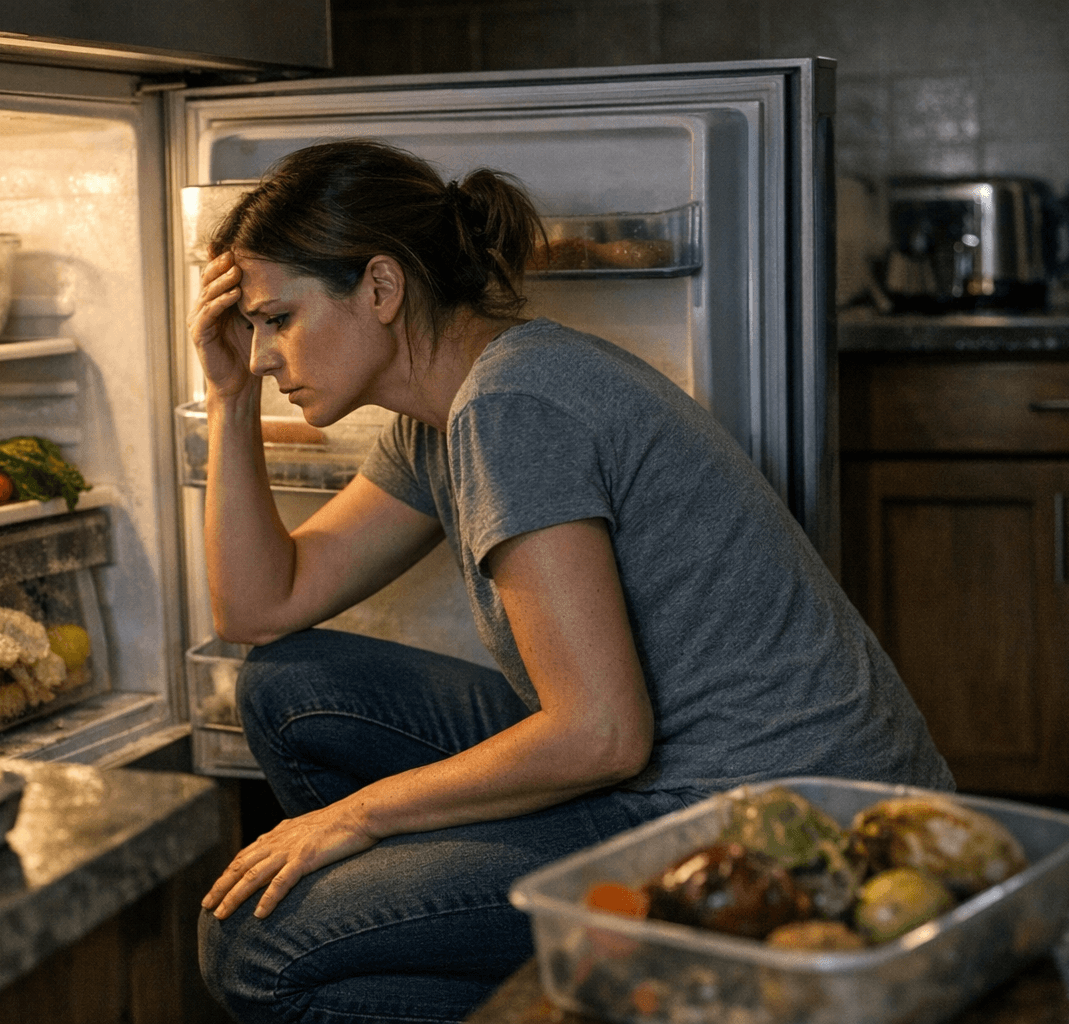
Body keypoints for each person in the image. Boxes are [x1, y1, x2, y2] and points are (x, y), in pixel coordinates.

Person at [190, 139, 952, 1024]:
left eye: (276, 319)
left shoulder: (512, 405)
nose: (264, 353)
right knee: (293, 685)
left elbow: (600, 736)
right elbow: (259, 604)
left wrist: (360, 818)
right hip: (657, 771)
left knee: (256, 947)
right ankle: (524, 965)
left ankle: (593, 992)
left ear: (381, 289)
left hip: (769, 822)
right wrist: (229, 400)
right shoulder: (444, 413)